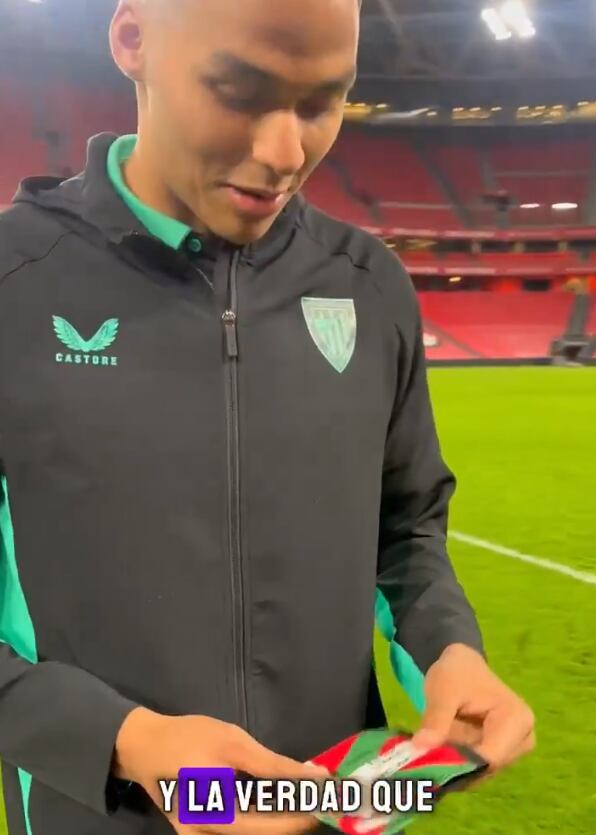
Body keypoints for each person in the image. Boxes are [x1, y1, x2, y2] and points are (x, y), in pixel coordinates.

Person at [0, 1, 535, 834]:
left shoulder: (368, 286)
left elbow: (406, 531)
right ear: (133, 41)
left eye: (324, 102)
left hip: (327, 812)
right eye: (239, 91)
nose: (286, 153)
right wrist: (126, 741)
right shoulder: (16, 282)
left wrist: (448, 653)